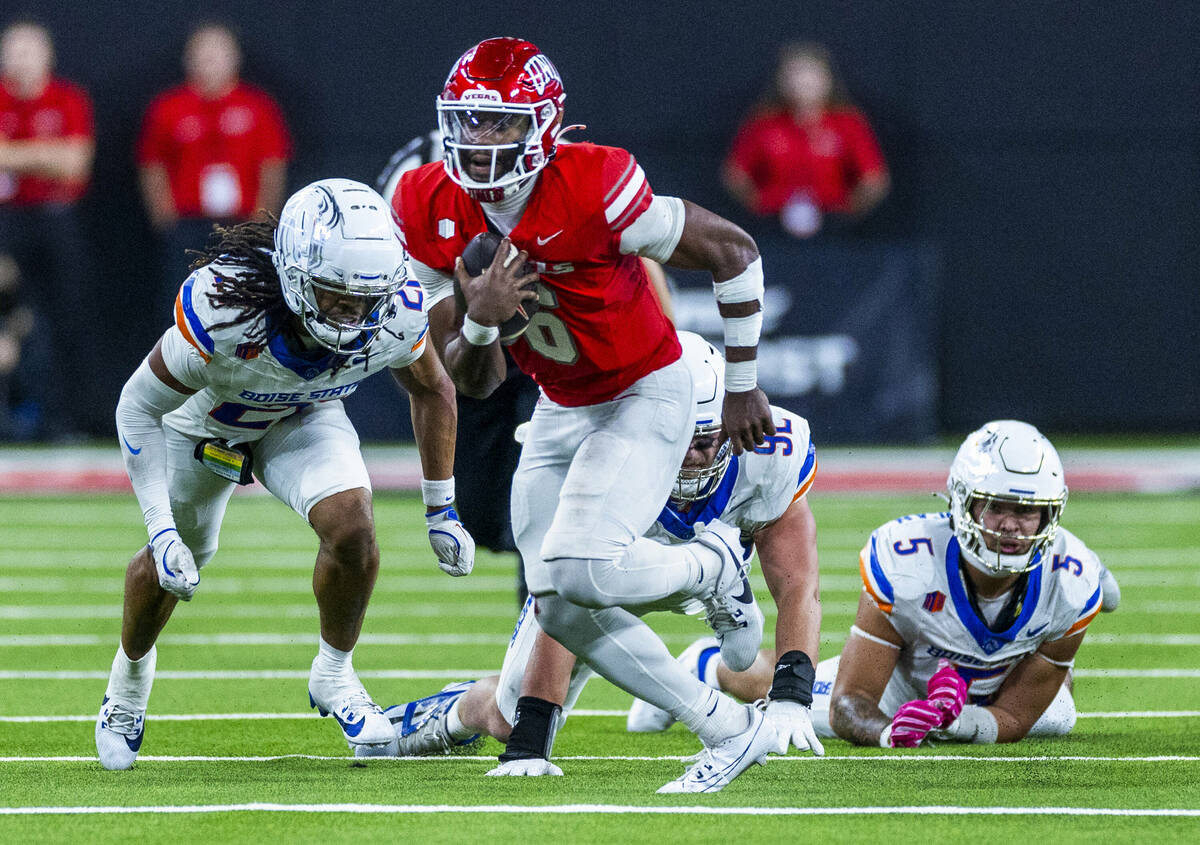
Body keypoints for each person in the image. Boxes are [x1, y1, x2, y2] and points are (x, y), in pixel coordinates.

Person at [393, 37, 784, 794]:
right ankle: (727, 726)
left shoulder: (594, 181)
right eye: (468, 122)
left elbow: (734, 250)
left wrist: (741, 384)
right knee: (557, 599)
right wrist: (480, 320)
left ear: (543, 125)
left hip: (644, 389)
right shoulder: (424, 200)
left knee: (578, 565)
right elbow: (471, 383)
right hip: (561, 402)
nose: (480, 142)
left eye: (499, 125)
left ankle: (712, 565)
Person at [94, 179, 475, 770]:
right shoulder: (227, 308)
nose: (353, 313)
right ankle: (128, 682)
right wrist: (161, 528)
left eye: (365, 298)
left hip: (303, 412)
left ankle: (335, 674)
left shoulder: (396, 310)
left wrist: (441, 509)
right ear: (296, 274)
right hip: (207, 421)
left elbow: (434, 388)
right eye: (336, 295)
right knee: (178, 560)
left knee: (353, 527)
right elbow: (137, 407)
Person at [379, 332, 825, 767]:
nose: (688, 456)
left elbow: (798, 584)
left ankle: (716, 581)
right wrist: (530, 736)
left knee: (742, 654)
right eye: (675, 440)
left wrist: (791, 694)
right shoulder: (598, 445)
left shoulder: (770, 449)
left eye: (703, 441)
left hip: (675, 556)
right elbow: (561, 597)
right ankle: (713, 572)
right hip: (618, 569)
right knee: (508, 716)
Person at [378, 130, 674, 605]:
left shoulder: (562, 178)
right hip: (469, 343)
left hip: (557, 344)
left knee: (549, 498)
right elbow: (415, 314)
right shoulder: (417, 186)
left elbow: (637, 263)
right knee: (482, 509)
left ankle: (546, 613)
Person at [815, 420, 1119, 747]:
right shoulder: (909, 561)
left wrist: (956, 724)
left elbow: (1015, 716)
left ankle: (1043, 670)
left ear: (1049, 515)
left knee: (1057, 713)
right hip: (899, 689)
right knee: (783, 692)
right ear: (962, 502)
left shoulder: (1070, 581)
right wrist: (890, 732)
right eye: (995, 507)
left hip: (997, 689)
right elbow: (850, 702)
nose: (1011, 526)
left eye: (1027, 510)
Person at [137, 22, 291, 321]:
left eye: (217, 54)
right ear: (189, 59)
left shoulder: (257, 106)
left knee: (244, 307)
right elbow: (152, 166)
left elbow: (272, 166)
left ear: (234, 58)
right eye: (202, 54)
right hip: (188, 225)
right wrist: (166, 219)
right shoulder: (169, 107)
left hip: (240, 225)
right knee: (182, 304)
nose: (209, 62)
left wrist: (260, 225)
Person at [0, 19, 94, 437]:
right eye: (13, 50)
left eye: (29, 50)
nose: (20, 60)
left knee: (63, 318)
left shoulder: (67, 99)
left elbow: (74, 164)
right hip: (7, 221)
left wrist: (12, 154)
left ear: (46, 56)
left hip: (55, 220)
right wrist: (45, 156)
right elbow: (57, 159)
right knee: (10, 317)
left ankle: (62, 420)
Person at [723, 42, 889, 239]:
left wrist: (849, 213)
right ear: (782, 80)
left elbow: (874, 179)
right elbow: (735, 175)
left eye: (811, 75)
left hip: (833, 225)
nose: (803, 83)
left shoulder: (848, 123)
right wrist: (759, 206)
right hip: (773, 225)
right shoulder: (764, 123)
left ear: (827, 80)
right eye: (795, 75)